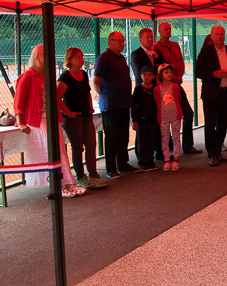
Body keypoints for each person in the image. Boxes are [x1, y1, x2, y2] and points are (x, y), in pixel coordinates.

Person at [14, 44, 84, 197]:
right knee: (51, 152)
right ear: (36, 57)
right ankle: (58, 185)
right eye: (44, 54)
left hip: (52, 118)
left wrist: (67, 112)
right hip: (38, 120)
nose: (47, 57)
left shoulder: (49, 75)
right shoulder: (27, 76)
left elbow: (56, 98)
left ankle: (67, 182)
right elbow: (19, 101)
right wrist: (21, 122)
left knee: (60, 151)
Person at [57, 47, 107, 190]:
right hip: (73, 118)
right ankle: (80, 177)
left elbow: (87, 93)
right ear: (70, 60)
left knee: (91, 145)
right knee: (78, 147)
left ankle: (94, 176)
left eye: (82, 56)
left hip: (86, 116)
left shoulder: (84, 74)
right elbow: (57, 98)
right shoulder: (65, 77)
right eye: (78, 57)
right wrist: (69, 113)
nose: (81, 59)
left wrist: (90, 108)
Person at [152, 21, 202, 155]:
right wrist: (174, 78)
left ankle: (187, 145)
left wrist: (179, 76)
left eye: (169, 29)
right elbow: (160, 67)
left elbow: (181, 61)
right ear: (159, 31)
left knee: (188, 113)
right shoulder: (156, 47)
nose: (168, 31)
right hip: (165, 87)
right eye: (165, 29)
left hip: (177, 84)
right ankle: (168, 147)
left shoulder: (175, 45)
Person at [93, 31, 137, 179]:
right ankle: (111, 169)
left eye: (123, 40)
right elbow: (96, 81)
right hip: (111, 104)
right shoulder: (104, 57)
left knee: (123, 136)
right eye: (118, 41)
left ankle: (123, 164)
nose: (121, 43)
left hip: (124, 103)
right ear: (110, 41)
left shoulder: (121, 57)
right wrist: (104, 95)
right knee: (111, 137)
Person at [195, 25, 227, 167]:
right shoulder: (205, 51)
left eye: (222, 34)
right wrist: (213, 74)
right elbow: (198, 71)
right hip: (210, 95)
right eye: (217, 34)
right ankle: (212, 154)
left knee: (223, 124)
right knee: (210, 125)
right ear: (211, 35)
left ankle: (217, 150)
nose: (220, 36)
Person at [154, 63, 184, 171]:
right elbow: (157, 102)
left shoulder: (175, 87)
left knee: (176, 137)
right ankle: (167, 160)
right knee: (165, 139)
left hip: (175, 117)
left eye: (170, 72)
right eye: (166, 72)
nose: (169, 74)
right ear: (160, 74)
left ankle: (175, 159)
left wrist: (178, 113)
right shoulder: (157, 89)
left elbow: (178, 100)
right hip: (163, 118)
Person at [132, 65, 159, 171]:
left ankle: (150, 160)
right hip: (141, 121)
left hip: (152, 120)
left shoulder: (155, 89)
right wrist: (134, 121)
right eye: (145, 75)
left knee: (151, 141)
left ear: (153, 76)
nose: (147, 77)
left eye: (149, 75)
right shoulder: (138, 89)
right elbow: (134, 106)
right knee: (142, 142)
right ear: (141, 76)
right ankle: (143, 162)